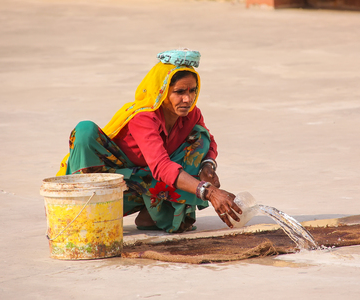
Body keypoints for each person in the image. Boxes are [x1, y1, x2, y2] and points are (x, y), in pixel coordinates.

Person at [57, 49, 242, 233]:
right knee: (85, 130)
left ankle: (153, 213)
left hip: (149, 179)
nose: (188, 99)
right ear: (161, 92)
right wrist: (209, 192)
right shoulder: (144, 118)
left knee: (200, 137)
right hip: (116, 183)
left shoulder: (191, 114)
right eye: (179, 92)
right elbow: (161, 166)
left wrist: (207, 166)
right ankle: (83, 209)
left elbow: (208, 140)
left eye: (192, 90)